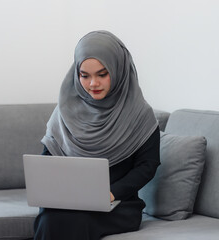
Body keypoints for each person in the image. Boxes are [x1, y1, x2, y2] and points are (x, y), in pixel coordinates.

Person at [34, 30, 160, 239]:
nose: (93, 83)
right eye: (85, 75)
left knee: (69, 221)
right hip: (69, 200)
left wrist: (111, 193)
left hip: (120, 204)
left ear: (118, 70)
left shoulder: (140, 114)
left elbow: (148, 166)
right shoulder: (64, 111)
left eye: (102, 74)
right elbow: (49, 156)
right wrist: (51, 191)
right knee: (49, 217)